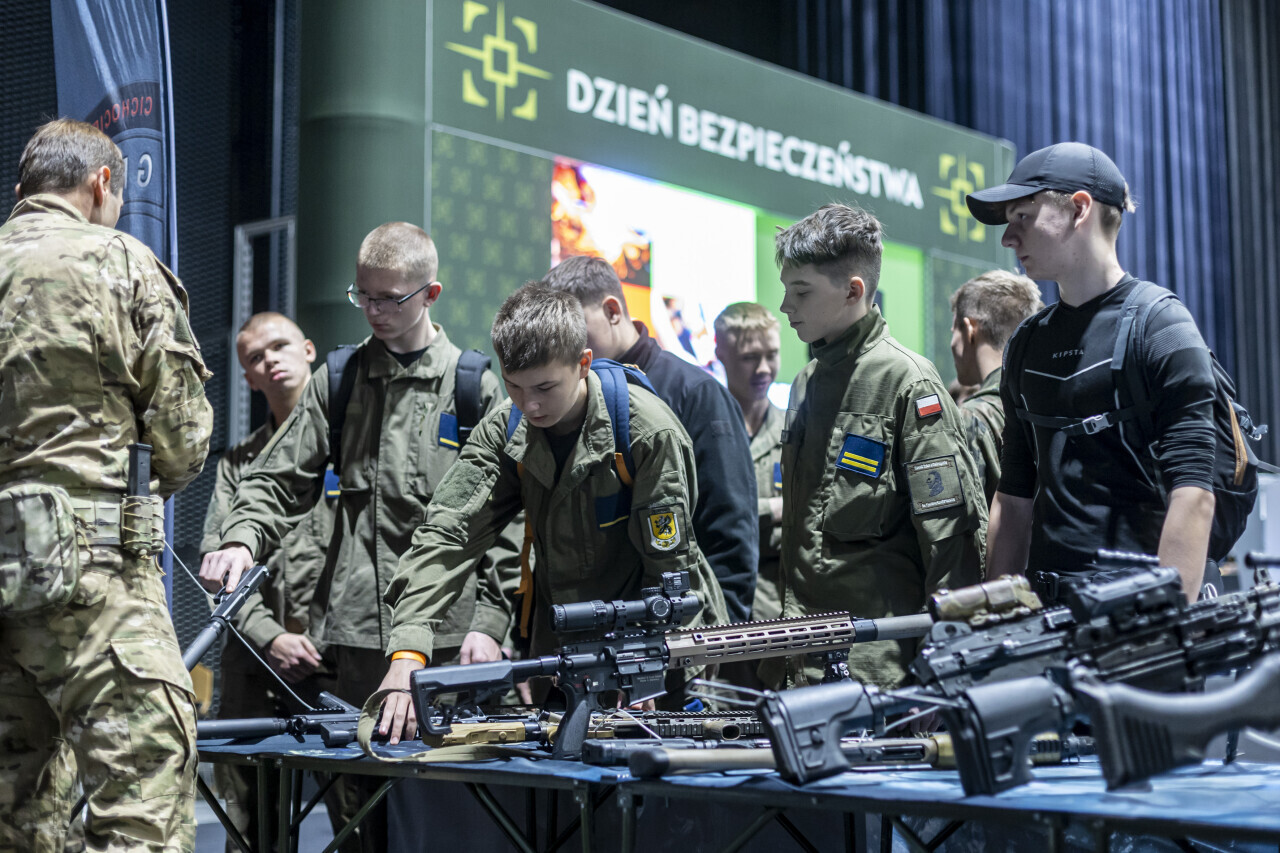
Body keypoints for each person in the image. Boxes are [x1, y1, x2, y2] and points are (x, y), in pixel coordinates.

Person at [199, 222, 518, 851]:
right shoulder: (339, 380)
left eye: (389, 299)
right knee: (356, 820)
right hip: (358, 644)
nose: (373, 311)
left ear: (430, 294)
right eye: (362, 296)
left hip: (449, 644)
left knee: (445, 820)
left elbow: (509, 519)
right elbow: (278, 478)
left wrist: (490, 621)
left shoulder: (473, 386)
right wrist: (241, 539)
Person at [376, 283, 729, 742]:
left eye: (545, 387)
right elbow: (448, 535)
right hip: (564, 654)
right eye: (515, 386)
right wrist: (407, 654)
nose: (531, 405)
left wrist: (646, 664)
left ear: (583, 363)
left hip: (663, 654)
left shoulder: (648, 433)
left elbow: (668, 568)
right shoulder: (506, 428)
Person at [0, 118, 213, 852]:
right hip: (95, 583)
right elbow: (181, 437)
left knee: (15, 818)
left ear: (23, 188)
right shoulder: (119, 261)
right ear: (101, 184)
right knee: (141, 804)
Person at [967, 142, 1217, 601]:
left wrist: (1163, 623)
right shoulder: (1025, 344)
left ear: (1079, 209)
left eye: (1022, 216)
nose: (1008, 238)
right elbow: (1014, 496)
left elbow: (1194, 493)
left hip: (1137, 618)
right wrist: (997, 616)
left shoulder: (1161, 326)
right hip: (1046, 618)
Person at [766, 203, 987, 691]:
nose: (786, 307)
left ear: (853, 290)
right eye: (786, 290)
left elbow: (949, 540)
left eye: (801, 291)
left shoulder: (909, 382)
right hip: (800, 663)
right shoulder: (805, 382)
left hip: (880, 675)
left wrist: (945, 667)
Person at [541, 255, 758, 623]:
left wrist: (719, 637)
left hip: (680, 634)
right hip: (583, 630)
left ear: (612, 311)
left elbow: (729, 534)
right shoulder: (565, 398)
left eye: (573, 330)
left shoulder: (695, 393)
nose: (564, 347)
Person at [198, 312, 341, 851]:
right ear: (249, 379)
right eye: (255, 358)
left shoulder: (349, 449)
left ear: (309, 351)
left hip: (337, 659)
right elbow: (217, 563)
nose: (270, 361)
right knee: (248, 820)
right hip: (255, 665)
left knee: (361, 810)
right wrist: (269, 636)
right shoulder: (238, 464)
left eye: (279, 346)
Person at [713, 302, 784, 621]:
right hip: (720, 603)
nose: (764, 368)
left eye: (772, 354)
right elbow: (703, 516)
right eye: (749, 358)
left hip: (781, 605)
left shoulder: (795, 430)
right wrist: (774, 509)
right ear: (721, 354)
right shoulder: (703, 433)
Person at [948, 271, 1044, 507]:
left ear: (970, 330)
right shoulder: (1047, 397)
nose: (952, 343)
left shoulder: (971, 417)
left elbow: (964, 520)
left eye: (953, 331)